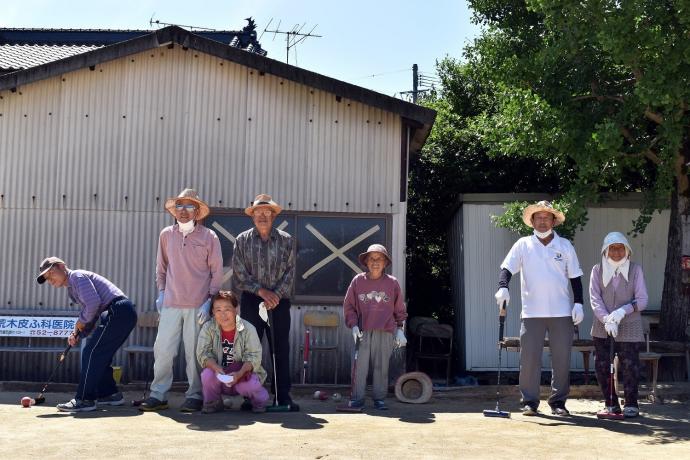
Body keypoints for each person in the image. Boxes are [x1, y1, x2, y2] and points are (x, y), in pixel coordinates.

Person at [494, 200, 584, 416]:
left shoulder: (565, 245)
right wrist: (503, 287)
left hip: (561, 312)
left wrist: (579, 303)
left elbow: (575, 277)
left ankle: (558, 402)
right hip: (532, 312)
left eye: (547, 217)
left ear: (554, 221)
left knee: (562, 359)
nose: (542, 221)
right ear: (532, 221)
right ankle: (529, 402)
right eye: (538, 217)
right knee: (529, 359)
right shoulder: (523, 244)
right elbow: (506, 268)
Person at [140, 188, 223, 412]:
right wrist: (161, 292)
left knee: (195, 352)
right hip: (170, 303)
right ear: (174, 210)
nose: (183, 211)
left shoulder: (209, 237)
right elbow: (161, 268)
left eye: (189, 206)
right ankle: (158, 395)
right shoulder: (166, 234)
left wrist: (209, 301)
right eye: (179, 206)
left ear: (197, 211)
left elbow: (217, 272)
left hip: (198, 305)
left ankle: (195, 395)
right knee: (163, 349)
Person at [36, 257, 137, 412]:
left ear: (62, 266)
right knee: (98, 354)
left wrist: (80, 323)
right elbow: (94, 312)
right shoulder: (72, 288)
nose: (49, 280)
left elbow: (93, 304)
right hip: (116, 313)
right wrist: (79, 333)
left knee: (91, 352)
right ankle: (110, 394)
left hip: (118, 311)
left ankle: (84, 399)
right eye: (47, 278)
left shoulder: (77, 276)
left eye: (51, 273)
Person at [230, 194, 298, 411]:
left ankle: (282, 396)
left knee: (280, 349)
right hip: (251, 299)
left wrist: (274, 295)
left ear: (273, 216)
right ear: (253, 216)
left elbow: (290, 272)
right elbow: (239, 274)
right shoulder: (242, 240)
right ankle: (251, 396)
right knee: (251, 349)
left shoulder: (287, 240)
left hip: (279, 301)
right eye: (258, 212)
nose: (262, 216)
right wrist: (261, 292)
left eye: (266, 212)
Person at [343, 244, 407, 410]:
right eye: (372, 258)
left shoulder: (392, 283)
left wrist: (400, 329)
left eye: (379, 259)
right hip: (362, 331)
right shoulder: (358, 281)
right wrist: (354, 326)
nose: (375, 262)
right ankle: (357, 399)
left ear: (385, 262)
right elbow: (349, 306)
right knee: (359, 367)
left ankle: (379, 399)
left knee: (381, 368)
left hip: (385, 331)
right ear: (366, 262)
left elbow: (400, 308)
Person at [590, 231, 648, 418]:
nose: (616, 252)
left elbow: (642, 299)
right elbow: (595, 299)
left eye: (620, 248)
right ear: (605, 250)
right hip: (602, 326)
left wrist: (621, 312)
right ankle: (611, 403)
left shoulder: (635, 270)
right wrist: (607, 319)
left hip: (629, 324)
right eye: (612, 248)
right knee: (602, 365)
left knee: (630, 365)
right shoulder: (597, 270)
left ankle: (631, 403)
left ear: (627, 250)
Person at [196, 290, 269, 413]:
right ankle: (213, 403)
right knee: (207, 375)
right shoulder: (208, 328)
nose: (223, 314)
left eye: (227, 309)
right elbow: (203, 354)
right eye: (218, 310)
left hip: (242, 375)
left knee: (249, 385)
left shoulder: (248, 329)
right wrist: (215, 368)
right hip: (220, 375)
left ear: (236, 309)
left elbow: (253, 358)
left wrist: (239, 374)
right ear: (213, 312)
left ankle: (259, 402)